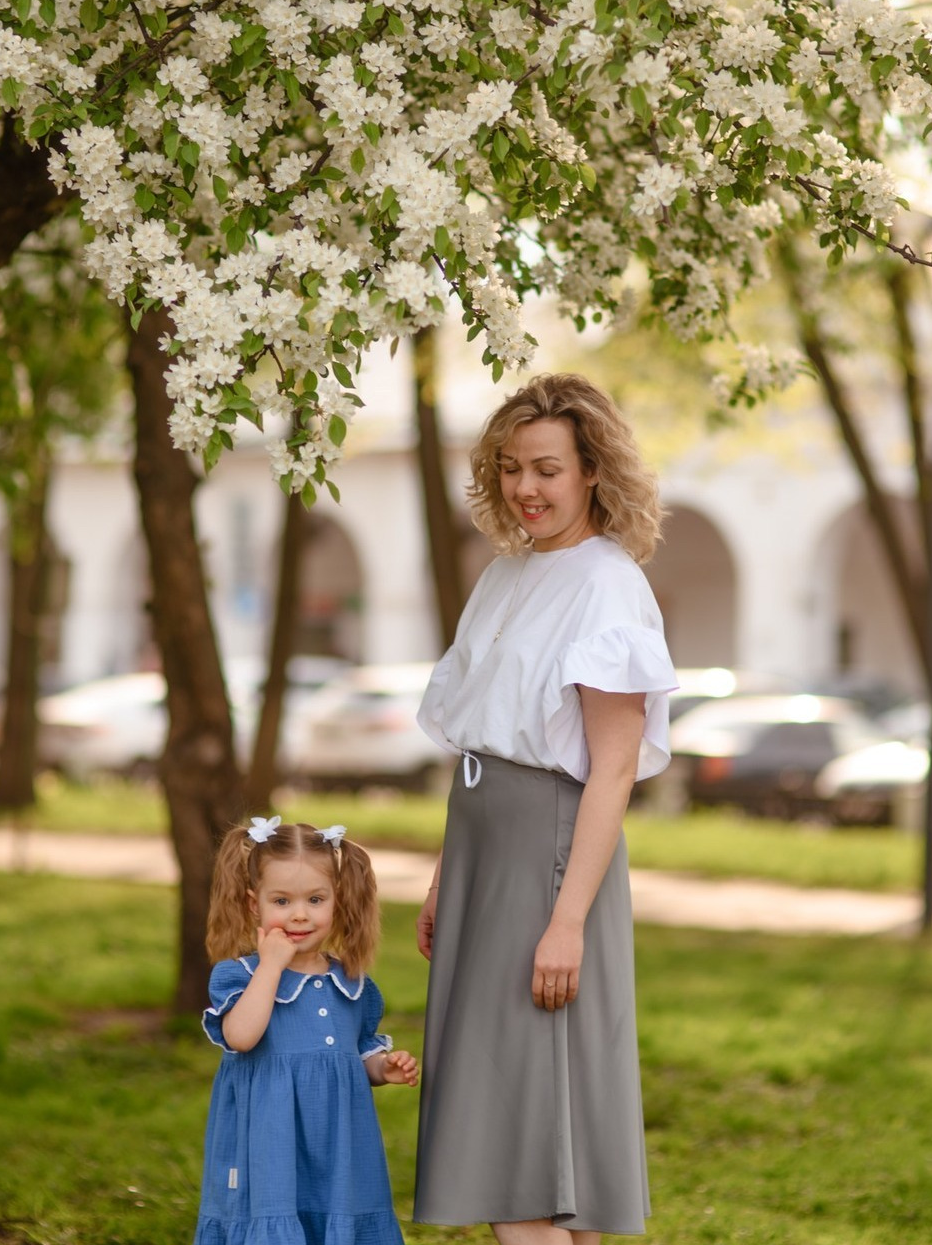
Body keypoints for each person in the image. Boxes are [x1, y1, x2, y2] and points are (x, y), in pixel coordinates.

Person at [413, 372, 677, 1244]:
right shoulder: (506, 573)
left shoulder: (606, 585)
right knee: (529, 1129)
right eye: (513, 467)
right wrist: (448, 873)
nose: (527, 487)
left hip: (550, 866)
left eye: (549, 470)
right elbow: (481, 742)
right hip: (484, 852)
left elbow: (611, 772)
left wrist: (567, 923)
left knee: (518, 1132)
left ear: (592, 470)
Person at [194, 817, 420, 1245]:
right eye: (281, 901)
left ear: (338, 902)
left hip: (338, 1147)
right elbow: (241, 1036)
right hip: (270, 1145)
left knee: (336, 1215)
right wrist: (272, 966)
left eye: (316, 899)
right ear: (252, 904)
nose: (299, 914)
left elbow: (358, 1050)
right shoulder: (240, 976)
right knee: (277, 1217)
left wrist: (381, 1067)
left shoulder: (351, 983)